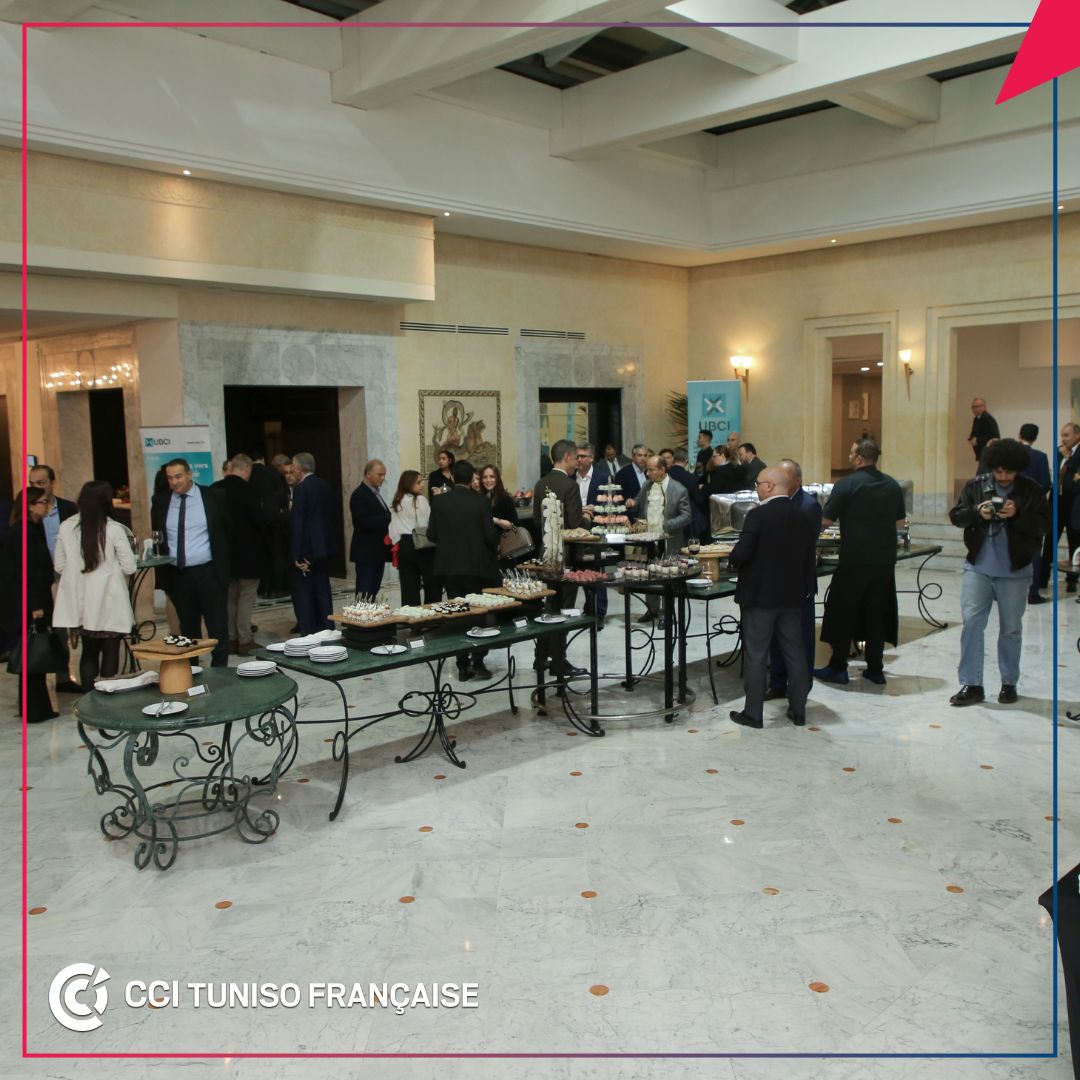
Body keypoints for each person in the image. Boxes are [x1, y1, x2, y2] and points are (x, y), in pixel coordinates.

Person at [948, 438, 1046, 706]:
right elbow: (956, 516)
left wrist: (1016, 514)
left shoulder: (1031, 490)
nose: (1003, 477)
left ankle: (1009, 683)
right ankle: (972, 684)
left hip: (1015, 570)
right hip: (978, 567)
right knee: (971, 624)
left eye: (1009, 472)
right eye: (998, 471)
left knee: (1011, 629)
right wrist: (977, 511)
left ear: (1018, 469)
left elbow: (1042, 526)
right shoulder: (976, 486)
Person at [728, 468, 817, 729]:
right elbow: (808, 558)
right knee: (795, 652)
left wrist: (732, 558)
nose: (756, 489)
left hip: (760, 598)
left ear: (769, 486)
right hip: (792, 597)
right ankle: (798, 711)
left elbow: (742, 553)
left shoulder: (758, 515)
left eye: (757, 484)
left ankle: (753, 714)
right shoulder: (802, 515)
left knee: (757, 654)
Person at [814, 438, 906, 687]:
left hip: (854, 559)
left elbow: (825, 522)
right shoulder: (892, 485)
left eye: (851, 452)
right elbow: (900, 524)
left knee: (844, 611)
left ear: (858, 458)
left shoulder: (847, 484)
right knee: (877, 613)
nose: (849, 456)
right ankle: (875, 668)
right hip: (884, 561)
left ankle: (838, 667)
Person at [52, 481, 136, 688]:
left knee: (88, 653)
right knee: (110, 652)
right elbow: (129, 567)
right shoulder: (114, 528)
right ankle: (106, 699)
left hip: (82, 604)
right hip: (110, 602)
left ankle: (88, 698)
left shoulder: (66, 527)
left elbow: (59, 565)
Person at [150, 458, 231, 668]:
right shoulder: (160, 501)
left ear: (189, 474)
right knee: (188, 630)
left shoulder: (214, 496)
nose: (174, 482)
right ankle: (193, 671)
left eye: (178, 476)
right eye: (170, 478)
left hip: (209, 572)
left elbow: (227, 532)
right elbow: (158, 537)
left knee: (217, 627)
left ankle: (220, 672)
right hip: (178, 574)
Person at [427, 460, 499, 680]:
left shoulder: (439, 502)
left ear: (453, 478)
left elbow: (431, 535)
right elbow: (490, 536)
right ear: (471, 479)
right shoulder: (481, 502)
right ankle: (478, 661)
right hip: (475, 566)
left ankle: (461, 664)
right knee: (477, 613)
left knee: (457, 614)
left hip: (449, 566)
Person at [765, 460, 823, 700]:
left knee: (800, 640)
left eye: (784, 477)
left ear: (797, 480)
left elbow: (800, 546)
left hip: (798, 584)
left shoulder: (808, 506)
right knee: (776, 637)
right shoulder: (774, 502)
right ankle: (777, 684)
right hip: (775, 584)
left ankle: (800, 690)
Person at [531, 440, 587, 678]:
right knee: (564, 609)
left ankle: (540, 657)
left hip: (546, 555)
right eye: (576, 458)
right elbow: (574, 525)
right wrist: (587, 518)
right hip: (566, 557)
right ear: (566, 457)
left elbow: (537, 521)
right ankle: (558, 660)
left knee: (548, 608)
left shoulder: (540, 484)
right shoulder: (570, 486)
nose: (577, 462)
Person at [2, 488, 58, 722]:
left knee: (33, 654)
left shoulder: (31, 529)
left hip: (33, 598)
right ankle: (35, 710)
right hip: (30, 601)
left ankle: (36, 708)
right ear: (30, 506)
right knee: (33, 653)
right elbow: (26, 572)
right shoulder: (22, 532)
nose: (47, 506)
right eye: (43, 502)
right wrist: (34, 605)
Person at [629, 455, 691, 627]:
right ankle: (652, 609)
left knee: (667, 577)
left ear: (662, 470)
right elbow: (638, 500)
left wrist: (665, 524)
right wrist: (632, 502)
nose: (647, 473)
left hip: (670, 540)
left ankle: (667, 613)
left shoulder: (679, 489)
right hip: (649, 539)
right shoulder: (647, 485)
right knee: (650, 574)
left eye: (651, 470)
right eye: (647, 469)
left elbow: (686, 516)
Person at [215, 454, 266, 654]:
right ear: (246, 469)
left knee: (230, 598)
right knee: (246, 597)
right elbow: (260, 521)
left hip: (224, 555)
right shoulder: (250, 490)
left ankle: (230, 638)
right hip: (248, 554)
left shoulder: (214, 489)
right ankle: (244, 639)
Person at [290, 452, 336, 634]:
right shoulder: (325, 486)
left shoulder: (301, 489)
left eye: (293, 467)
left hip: (307, 550)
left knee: (306, 596)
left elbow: (299, 524)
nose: (292, 470)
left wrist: (297, 554)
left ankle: (309, 632)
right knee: (323, 591)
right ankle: (328, 628)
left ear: (299, 468)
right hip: (323, 549)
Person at [389, 470, 438, 606]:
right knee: (431, 584)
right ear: (409, 483)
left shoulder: (397, 501)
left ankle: (411, 616)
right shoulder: (421, 500)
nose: (422, 485)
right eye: (418, 482)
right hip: (422, 542)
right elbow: (427, 522)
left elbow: (393, 530)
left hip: (405, 544)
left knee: (409, 586)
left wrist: (399, 543)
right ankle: (431, 614)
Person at [572, 448, 608, 627]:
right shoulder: (571, 477)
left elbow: (608, 501)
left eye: (582, 456)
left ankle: (599, 612)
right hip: (576, 529)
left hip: (596, 528)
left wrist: (595, 508)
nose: (579, 459)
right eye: (577, 456)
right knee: (580, 569)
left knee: (597, 569)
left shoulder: (601, 476)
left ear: (591, 458)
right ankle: (589, 607)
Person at [1018, 423, 1051, 604]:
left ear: (1019, 435)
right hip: (1034, 511)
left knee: (1008, 548)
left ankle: (1001, 592)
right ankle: (1033, 593)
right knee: (1035, 551)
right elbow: (1046, 483)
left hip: (1012, 508)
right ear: (1035, 438)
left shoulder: (1011, 454)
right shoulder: (1040, 457)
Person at [348, 460, 391, 598]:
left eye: (384, 475)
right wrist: (389, 518)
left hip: (378, 552)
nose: (383, 478)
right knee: (364, 592)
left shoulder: (375, 493)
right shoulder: (359, 495)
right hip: (366, 552)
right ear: (368, 474)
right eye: (380, 475)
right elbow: (364, 522)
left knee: (373, 590)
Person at [28, 463, 76, 560]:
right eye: (32, 484)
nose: (36, 488)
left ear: (52, 483)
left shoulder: (69, 507)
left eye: (40, 483)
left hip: (67, 564)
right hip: (41, 566)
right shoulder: (28, 511)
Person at [1053, 423, 1080, 594]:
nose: (1063, 439)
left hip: (1074, 504)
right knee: (1050, 539)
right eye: (1062, 435)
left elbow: (1076, 477)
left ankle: (1072, 580)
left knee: (1074, 541)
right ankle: (1042, 577)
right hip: (1058, 502)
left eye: (1066, 435)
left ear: (1077, 435)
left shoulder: (1075, 453)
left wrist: (1069, 458)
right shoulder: (1059, 451)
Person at [668, 448, 709, 544]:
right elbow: (699, 500)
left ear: (673, 459)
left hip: (669, 516)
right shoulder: (691, 478)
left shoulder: (666, 476)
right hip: (688, 518)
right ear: (686, 461)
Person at [967, 397, 1000, 462]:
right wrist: (971, 438)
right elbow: (974, 433)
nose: (974, 409)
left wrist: (977, 440)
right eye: (973, 407)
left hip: (989, 454)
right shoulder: (976, 419)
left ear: (983, 407)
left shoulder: (988, 419)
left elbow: (994, 438)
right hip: (981, 454)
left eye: (976, 407)